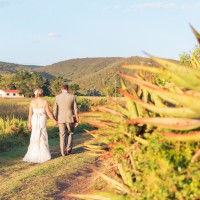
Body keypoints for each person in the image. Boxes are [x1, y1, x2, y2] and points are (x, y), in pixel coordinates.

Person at [23, 88, 57, 163]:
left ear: (35, 94)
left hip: (34, 118)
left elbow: (30, 114)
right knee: (42, 135)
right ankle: (43, 154)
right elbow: (48, 113)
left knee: (35, 134)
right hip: (42, 118)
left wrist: (29, 123)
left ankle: (34, 154)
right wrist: (54, 120)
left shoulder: (32, 102)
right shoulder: (45, 102)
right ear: (41, 94)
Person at [53, 84, 79, 156]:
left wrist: (55, 119)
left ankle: (62, 152)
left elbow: (55, 109)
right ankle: (68, 148)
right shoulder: (72, 97)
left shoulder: (57, 97)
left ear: (61, 89)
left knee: (62, 135)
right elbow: (75, 109)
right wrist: (77, 119)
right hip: (70, 118)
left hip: (60, 118)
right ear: (68, 89)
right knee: (70, 133)